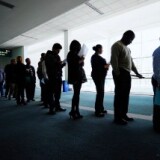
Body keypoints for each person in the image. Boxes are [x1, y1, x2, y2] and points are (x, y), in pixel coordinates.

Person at [111, 30, 143, 125]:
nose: (131, 41)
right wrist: (117, 74)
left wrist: (137, 73)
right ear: (125, 36)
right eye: (130, 39)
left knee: (125, 96)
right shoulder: (117, 45)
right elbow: (114, 61)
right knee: (119, 96)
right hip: (120, 73)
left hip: (126, 74)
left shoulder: (128, 49)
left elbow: (131, 63)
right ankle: (117, 117)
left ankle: (123, 114)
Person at [67, 40, 87, 119]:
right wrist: (81, 59)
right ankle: (74, 111)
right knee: (76, 94)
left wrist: (81, 59)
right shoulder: (71, 54)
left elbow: (81, 64)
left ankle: (75, 111)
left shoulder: (74, 54)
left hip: (77, 76)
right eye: (78, 46)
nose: (79, 47)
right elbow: (75, 64)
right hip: (75, 76)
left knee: (76, 94)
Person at [45, 43, 66, 114]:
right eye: (58, 50)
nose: (59, 51)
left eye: (59, 50)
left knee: (57, 93)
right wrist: (60, 64)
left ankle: (57, 106)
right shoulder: (48, 56)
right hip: (52, 77)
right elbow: (52, 66)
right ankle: (51, 109)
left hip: (58, 77)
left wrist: (62, 64)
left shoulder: (57, 56)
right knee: (51, 93)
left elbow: (58, 66)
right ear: (54, 49)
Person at [91, 44, 110, 117]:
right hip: (98, 76)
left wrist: (106, 66)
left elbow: (102, 67)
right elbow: (99, 68)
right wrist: (106, 66)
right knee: (100, 92)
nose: (102, 50)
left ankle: (101, 108)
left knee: (101, 92)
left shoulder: (96, 57)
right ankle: (98, 111)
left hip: (100, 76)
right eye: (102, 49)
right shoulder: (95, 57)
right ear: (99, 49)